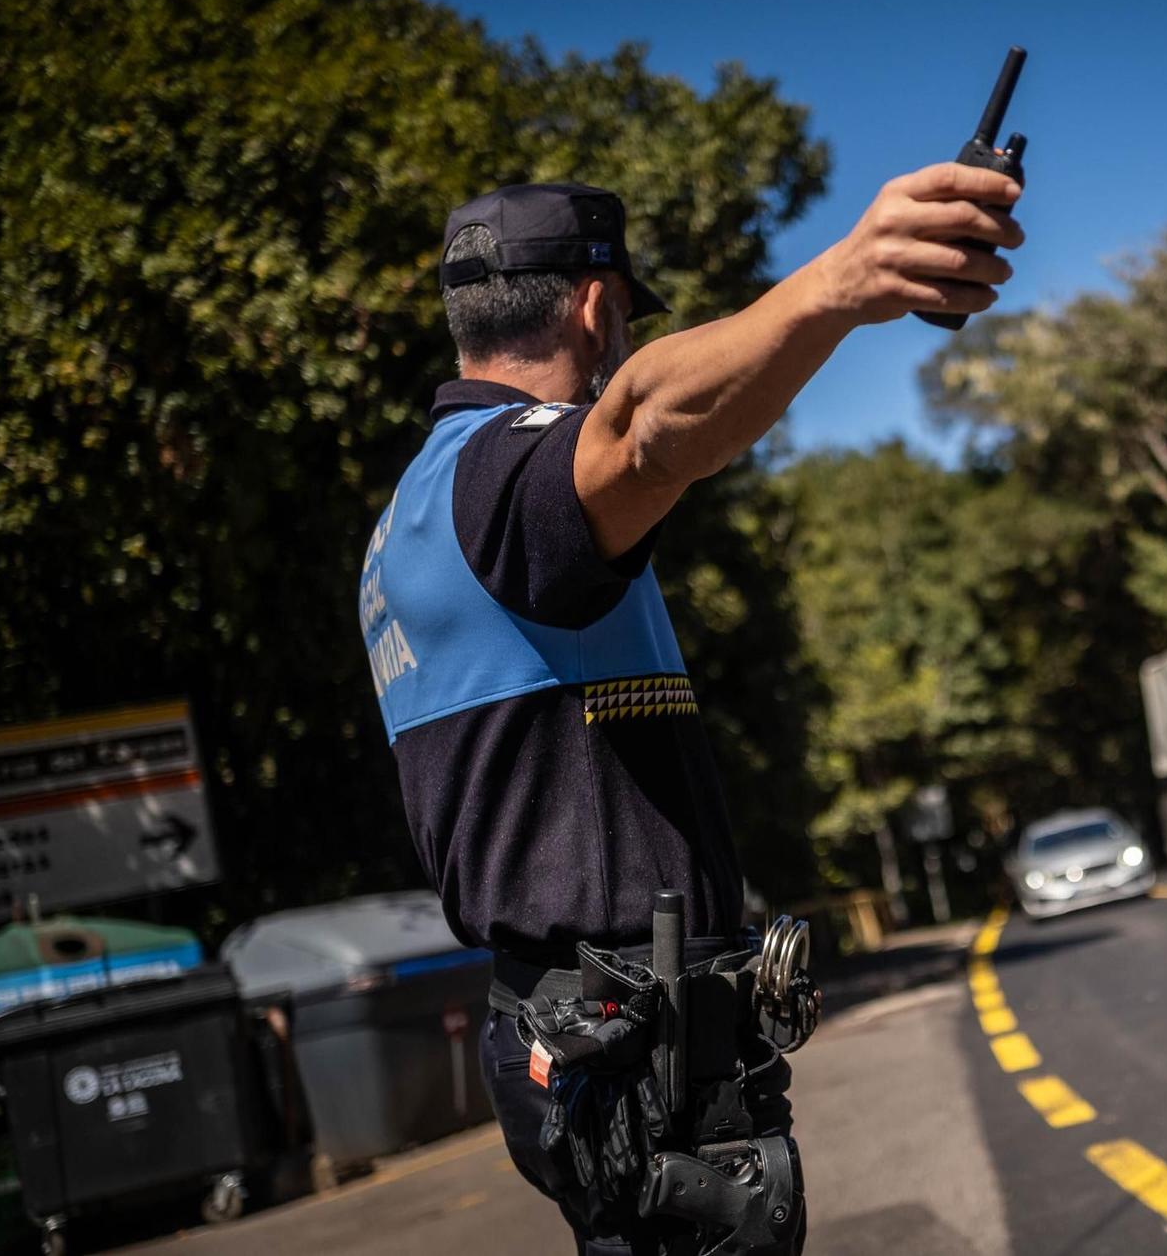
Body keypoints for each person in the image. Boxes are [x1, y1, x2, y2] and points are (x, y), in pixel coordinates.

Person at [356, 165, 1023, 1253]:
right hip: (630, 1047)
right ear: (595, 305)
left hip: (564, 1023)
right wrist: (839, 283)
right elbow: (644, 425)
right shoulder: (506, 479)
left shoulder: (406, 522)